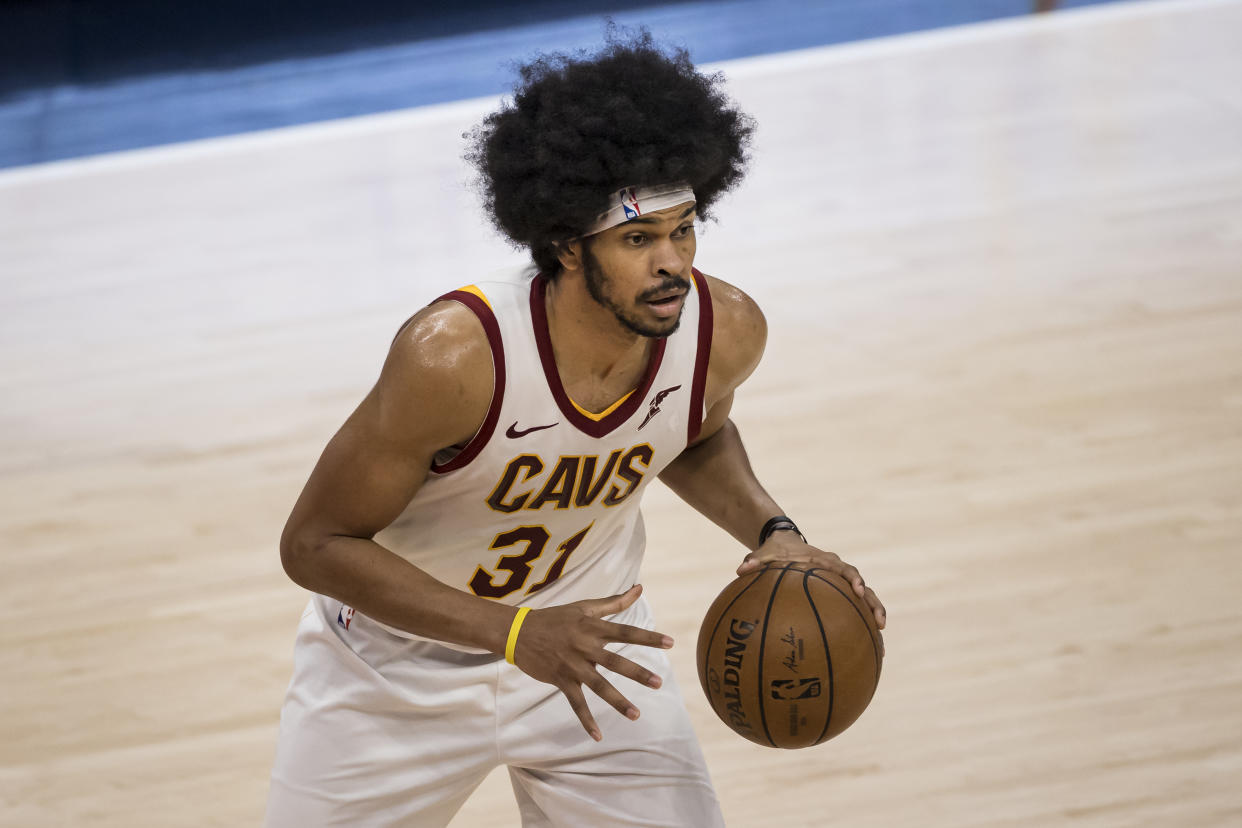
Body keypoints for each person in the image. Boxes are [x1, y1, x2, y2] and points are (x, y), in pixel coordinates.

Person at [265, 30, 886, 828]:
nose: (673, 264)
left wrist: (775, 530)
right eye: (638, 240)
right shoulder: (456, 357)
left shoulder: (721, 328)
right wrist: (514, 632)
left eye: (684, 230)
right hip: (392, 676)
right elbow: (314, 545)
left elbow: (690, 435)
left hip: (596, 652)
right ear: (566, 244)